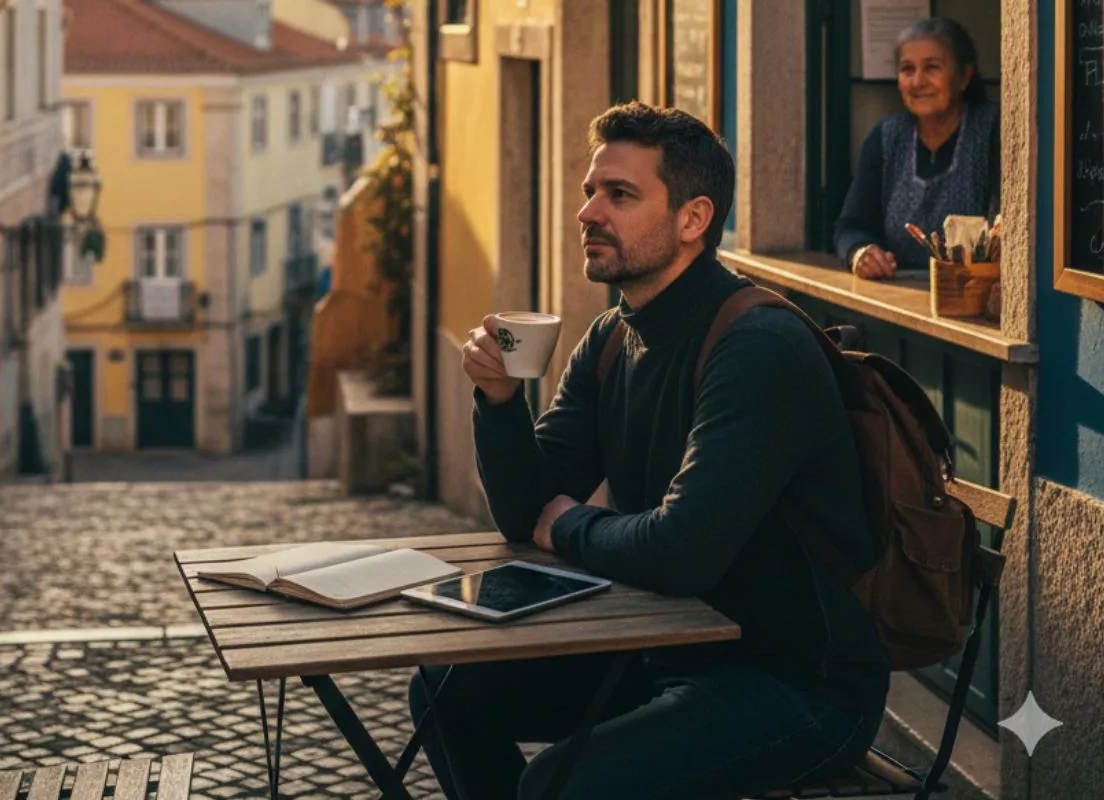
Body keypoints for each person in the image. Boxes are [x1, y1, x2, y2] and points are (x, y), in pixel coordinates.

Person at [408, 102, 891, 800]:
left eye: (620, 195)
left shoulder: (755, 346)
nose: (588, 213)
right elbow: (522, 513)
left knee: (557, 785)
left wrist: (567, 523)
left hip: (793, 685)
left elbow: (681, 549)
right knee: (444, 694)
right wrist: (501, 400)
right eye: (590, 192)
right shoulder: (611, 338)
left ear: (693, 219)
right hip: (662, 652)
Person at [835, 17, 1000, 279]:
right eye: (907, 69)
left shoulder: (993, 131)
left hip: (972, 301)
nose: (917, 81)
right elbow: (851, 225)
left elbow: (1006, 233)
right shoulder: (887, 137)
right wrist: (860, 252)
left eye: (932, 67)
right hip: (898, 297)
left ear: (964, 76)